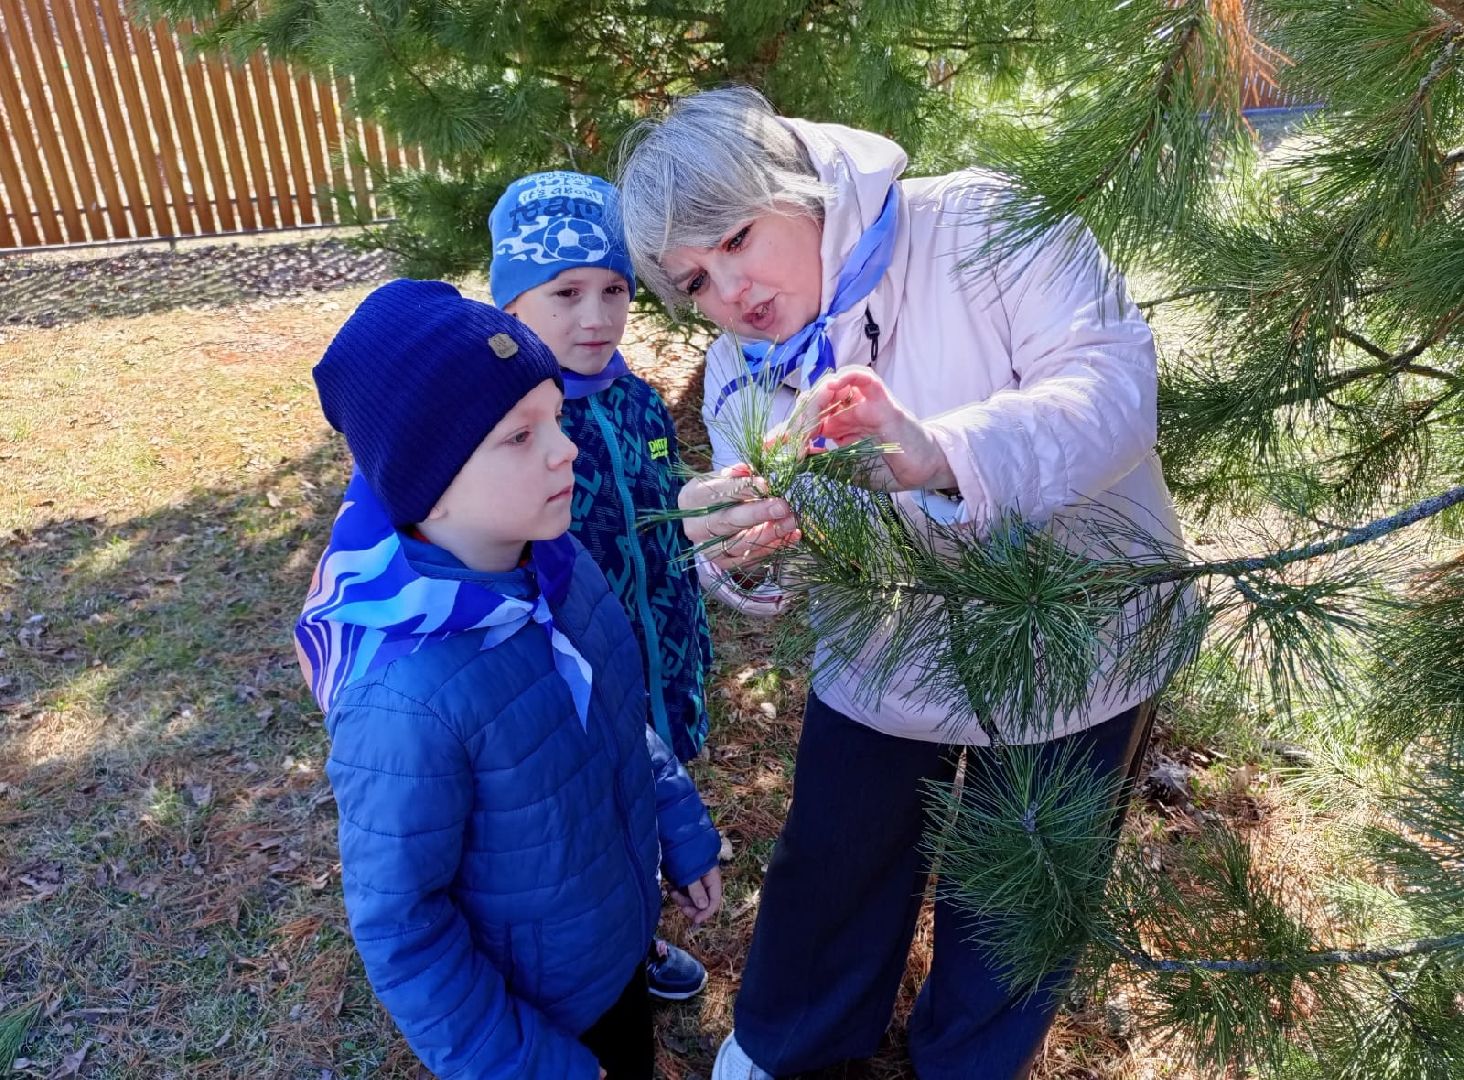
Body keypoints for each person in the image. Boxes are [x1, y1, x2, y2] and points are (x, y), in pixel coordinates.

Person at [617, 87, 1182, 1080]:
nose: (731, 291)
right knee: (836, 858)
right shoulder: (745, 369)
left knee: (1018, 889)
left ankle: (965, 1061)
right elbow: (787, 541)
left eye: (740, 238)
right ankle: (792, 1045)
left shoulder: (980, 221)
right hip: (884, 651)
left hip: (1079, 633)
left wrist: (939, 450)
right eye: (694, 280)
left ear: (796, 186)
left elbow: (1114, 386)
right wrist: (734, 549)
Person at [293, 279, 723, 1079]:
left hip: (610, 943)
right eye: (519, 437)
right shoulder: (406, 699)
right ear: (429, 482)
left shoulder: (558, 564)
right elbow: (403, 923)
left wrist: (680, 826)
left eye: (554, 417)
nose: (565, 449)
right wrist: (525, 1064)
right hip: (538, 1015)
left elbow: (618, 719)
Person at [489, 170, 717, 1002]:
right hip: (579, 682)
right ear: (512, 306)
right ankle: (623, 944)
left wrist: (707, 516)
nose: (597, 316)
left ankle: (644, 922)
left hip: (663, 660)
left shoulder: (638, 401)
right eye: (566, 292)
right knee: (600, 821)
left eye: (615, 288)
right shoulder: (512, 430)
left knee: (655, 793)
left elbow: (664, 504)